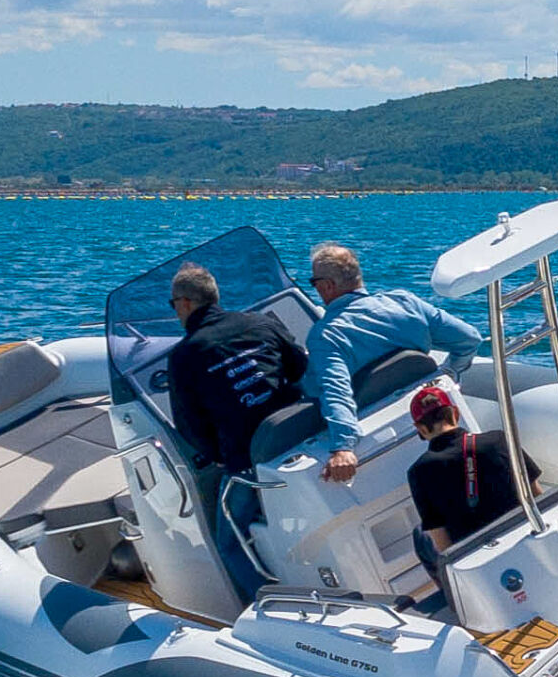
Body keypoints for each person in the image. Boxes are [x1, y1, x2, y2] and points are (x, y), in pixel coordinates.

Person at [165, 260, 308, 601]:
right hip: (300, 438)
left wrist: (220, 458)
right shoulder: (259, 323)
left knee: (229, 542)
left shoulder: (185, 356)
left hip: (248, 462)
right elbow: (299, 367)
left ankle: (270, 605)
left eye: (174, 304)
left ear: (185, 303)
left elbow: (190, 425)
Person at [303, 243, 482, 484]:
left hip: (377, 435)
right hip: (435, 416)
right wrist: (449, 373)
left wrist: (343, 447)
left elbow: (336, 392)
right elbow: (469, 339)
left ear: (327, 285)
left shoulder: (326, 335)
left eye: (314, 282)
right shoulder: (404, 302)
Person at [406, 386, 541, 562]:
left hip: (478, 559)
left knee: (420, 535)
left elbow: (442, 542)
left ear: (421, 429)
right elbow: (537, 495)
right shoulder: (498, 440)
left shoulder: (419, 472)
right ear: (455, 413)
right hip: (524, 536)